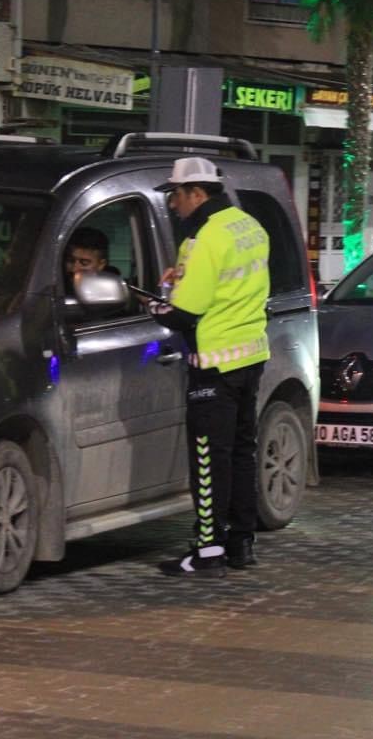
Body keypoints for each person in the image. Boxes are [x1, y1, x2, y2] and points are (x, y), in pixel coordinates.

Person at [149, 157, 271, 578]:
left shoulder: (203, 239)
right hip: (250, 356)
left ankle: (206, 552)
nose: (172, 205)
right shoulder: (248, 226)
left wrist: (152, 303)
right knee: (241, 454)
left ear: (196, 194)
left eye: (175, 196)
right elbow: (228, 286)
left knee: (208, 459)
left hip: (213, 364)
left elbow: (184, 312)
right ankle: (241, 544)